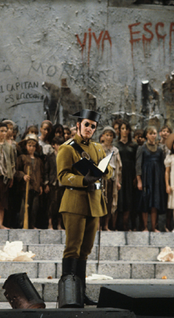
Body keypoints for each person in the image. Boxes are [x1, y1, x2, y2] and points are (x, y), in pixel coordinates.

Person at [57, 109, 112, 307]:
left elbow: (110, 171)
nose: (89, 128)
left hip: (94, 203)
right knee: (73, 248)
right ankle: (67, 293)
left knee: (86, 250)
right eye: (87, 124)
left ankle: (80, 293)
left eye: (93, 126)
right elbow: (62, 176)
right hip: (75, 201)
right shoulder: (67, 148)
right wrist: (83, 179)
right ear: (79, 125)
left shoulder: (98, 148)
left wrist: (104, 170)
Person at [136, 126, 166, 232]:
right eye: (150, 133)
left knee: (155, 202)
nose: (153, 135)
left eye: (154, 133)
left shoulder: (160, 149)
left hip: (156, 178)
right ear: (147, 135)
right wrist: (139, 180)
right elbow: (138, 165)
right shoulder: (142, 148)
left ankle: (154, 227)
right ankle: (145, 227)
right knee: (145, 201)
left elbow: (162, 165)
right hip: (146, 178)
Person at [16, 134, 43, 229]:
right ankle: (22, 224)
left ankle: (32, 224)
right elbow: (17, 171)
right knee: (24, 206)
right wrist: (23, 176)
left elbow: (41, 174)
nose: (31, 148)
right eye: (29, 145)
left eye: (33, 146)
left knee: (34, 207)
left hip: (35, 186)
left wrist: (40, 185)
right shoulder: (22, 157)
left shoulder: (39, 160)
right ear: (25, 146)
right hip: (25, 186)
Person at [115, 120, 138, 231]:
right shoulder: (115, 145)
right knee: (119, 199)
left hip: (130, 175)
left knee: (129, 199)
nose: (124, 131)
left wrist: (135, 177)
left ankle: (126, 224)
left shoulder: (133, 145)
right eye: (122, 129)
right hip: (119, 174)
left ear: (129, 131)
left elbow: (136, 162)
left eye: (126, 129)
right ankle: (116, 225)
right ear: (119, 131)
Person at [100, 126, 122, 231]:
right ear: (103, 136)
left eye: (111, 136)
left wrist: (118, 181)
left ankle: (106, 225)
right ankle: (98, 225)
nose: (109, 138)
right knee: (101, 201)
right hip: (102, 178)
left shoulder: (115, 150)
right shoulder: (99, 148)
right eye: (107, 135)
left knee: (110, 202)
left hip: (112, 178)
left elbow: (118, 167)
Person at [44, 136, 64, 230]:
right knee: (51, 203)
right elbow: (46, 171)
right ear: (53, 145)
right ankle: (50, 223)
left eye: (61, 144)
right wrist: (46, 183)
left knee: (61, 204)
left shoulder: (65, 157)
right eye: (58, 144)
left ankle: (59, 224)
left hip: (61, 183)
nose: (59, 146)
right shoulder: (50, 157)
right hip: (52, 182)